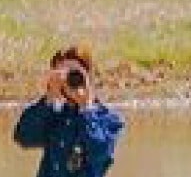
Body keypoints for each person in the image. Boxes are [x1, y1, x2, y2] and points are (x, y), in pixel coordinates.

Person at [12, 46, 125, 177]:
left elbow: (99, 154)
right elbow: (24, 138)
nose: (69, 80)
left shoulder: (108, 119)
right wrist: (50, 99)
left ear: (88, 78)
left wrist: (86, 108)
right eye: (62, 74)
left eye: (75, 73)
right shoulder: (52, 113)